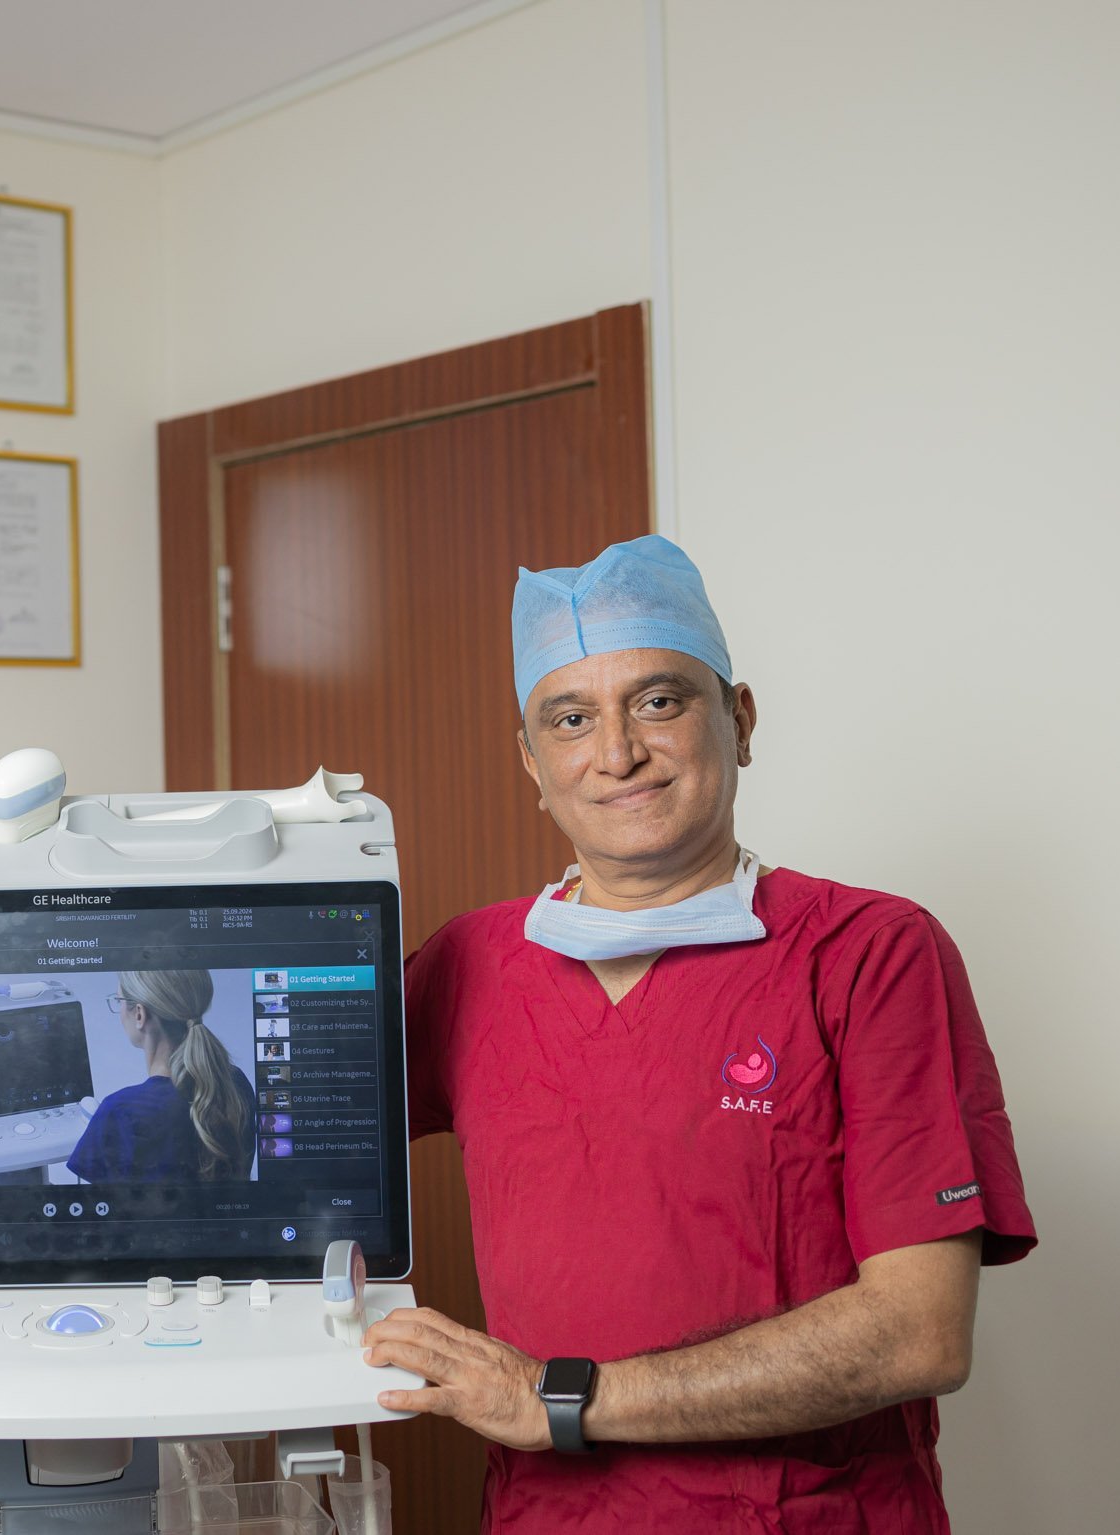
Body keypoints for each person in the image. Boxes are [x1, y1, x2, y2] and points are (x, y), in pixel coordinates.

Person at [363, 536, 1036, 1532]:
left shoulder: (866, 952)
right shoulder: (472, 963)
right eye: (571, 717)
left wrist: (558, 1397)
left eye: (659, 700)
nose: (617, 752)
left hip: (807, 1515)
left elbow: (918, 1331)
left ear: (740, 718)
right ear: (531, 760)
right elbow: (277, 1140)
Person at [67, 969, 256, 1182]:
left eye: (119, 1000)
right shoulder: (235, 1084)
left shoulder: (119, 1111)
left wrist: (102, 1130)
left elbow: (100, 1210)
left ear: (139, 1014)